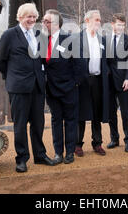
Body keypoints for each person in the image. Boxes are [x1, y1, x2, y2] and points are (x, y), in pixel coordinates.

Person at [0, 3, 55, 173]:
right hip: (19, 87)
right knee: (20, 125)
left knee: (38, 123)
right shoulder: (9, 35)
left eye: (34, 17)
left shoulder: (38, 33)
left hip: (37, 86)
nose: (32, 20)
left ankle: (40, 155)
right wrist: (12, 76)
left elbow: (41, 59)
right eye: (29, 16)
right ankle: (21, 159)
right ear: (20, 17)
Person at [41, 9, 84, 164]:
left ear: (57, 23)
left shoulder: (70, 40)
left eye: (47, 21)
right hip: (51, 89)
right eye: (43, 21)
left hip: (69, 88)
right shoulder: (42, 40)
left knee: (71, 120)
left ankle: (70, 152)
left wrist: (74, 83)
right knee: (56, 120)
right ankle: (58, 152)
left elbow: (80, 64)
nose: (44, 24)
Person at [76, 10, 111, 157]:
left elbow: (107, 62)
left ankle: (97, 143)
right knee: (81, 114)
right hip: (82, 82)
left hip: (97, 81)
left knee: (97, 112)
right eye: (96, 19)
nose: (99, 22)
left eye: (100, 20)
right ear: (87, 21)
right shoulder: (77, 38)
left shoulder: (102, 40)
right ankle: (77, 144)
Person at [106, 13, 128, 153]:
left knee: (126, 112)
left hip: (124, 81)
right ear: (112, 25)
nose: (121, 27)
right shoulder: (105, 40)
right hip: (108, 82)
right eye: (118, 24)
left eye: (123, 25)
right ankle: (114, 138)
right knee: (111, 112)